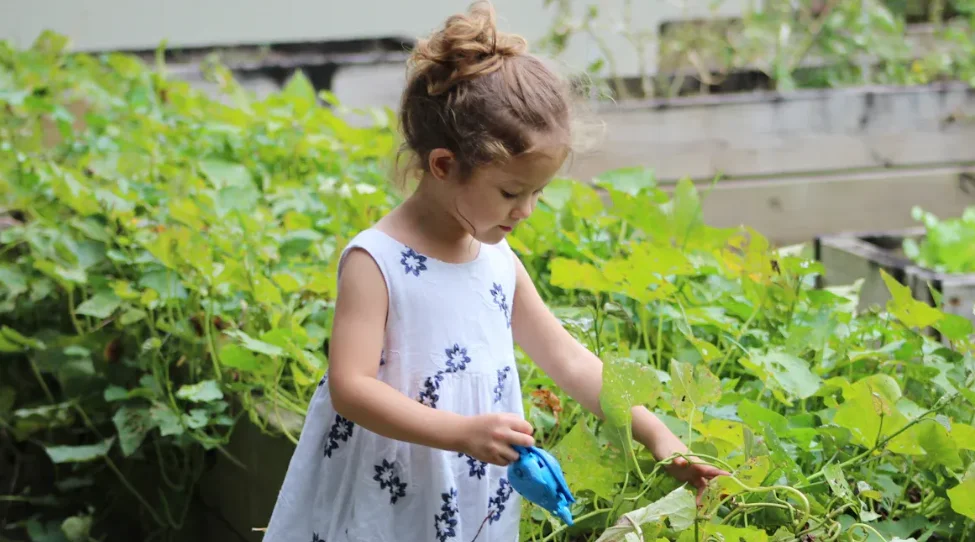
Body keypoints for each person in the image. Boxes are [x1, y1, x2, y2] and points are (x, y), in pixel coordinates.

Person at [260, 2, 726, 541]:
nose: (525, 211)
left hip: (466, 486)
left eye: (537, 193)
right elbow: (351, 387)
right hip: (388, 493)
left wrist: (658, 436)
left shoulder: (497, 263)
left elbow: (571, 362)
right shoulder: (377, 262)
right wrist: (459, 432)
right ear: (442, 166)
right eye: (510, 192)